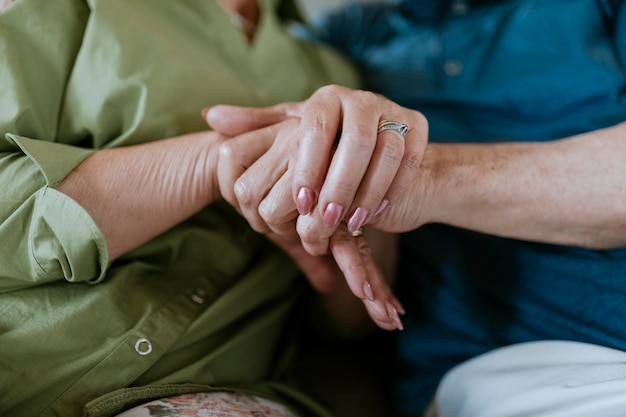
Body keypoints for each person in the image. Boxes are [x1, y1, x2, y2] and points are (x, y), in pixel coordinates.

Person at [203, 0, 626, 416]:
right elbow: (348, 314)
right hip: (526, 371)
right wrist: (328, 167)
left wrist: (425, 177)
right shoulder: (345, 45)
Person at [0, 0, 398, 416]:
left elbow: (352, 321)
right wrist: (211, 161)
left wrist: (364, 190)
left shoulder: (335, 74)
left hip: (216, 392)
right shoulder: (72, 10)